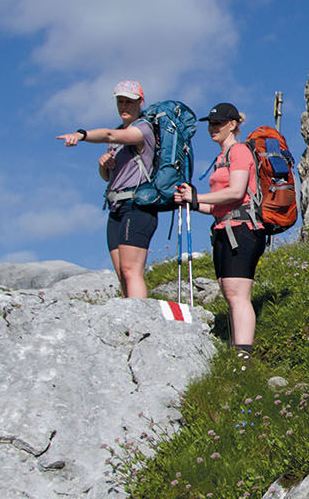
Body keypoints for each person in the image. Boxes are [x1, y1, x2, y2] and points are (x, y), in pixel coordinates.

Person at [174, 103, 262, 362]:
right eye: (210, 124)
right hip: (224, 228)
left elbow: (236, 192)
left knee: (237, 293)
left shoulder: (240, 151)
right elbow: (216, 206)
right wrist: (191, 202)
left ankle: (243, 358)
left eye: (218, 123)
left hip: (243, 229)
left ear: (233, 124)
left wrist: (196, 195)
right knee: (228, 290)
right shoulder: (221, 157)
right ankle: (239, 352)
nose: (212, 128)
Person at [56, 80, 157, 299]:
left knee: (132, 270)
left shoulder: (143, 129)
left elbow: (110, 136)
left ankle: (141, 321)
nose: (124, 106)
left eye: (129, 102)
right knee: (122, 272)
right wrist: (104, 164)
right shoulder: (118, 133)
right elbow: (107, 177)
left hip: (137, 205)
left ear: (140, 102)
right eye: (120, 101)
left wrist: (82, 135)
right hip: (116, 207)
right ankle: (127, 320)